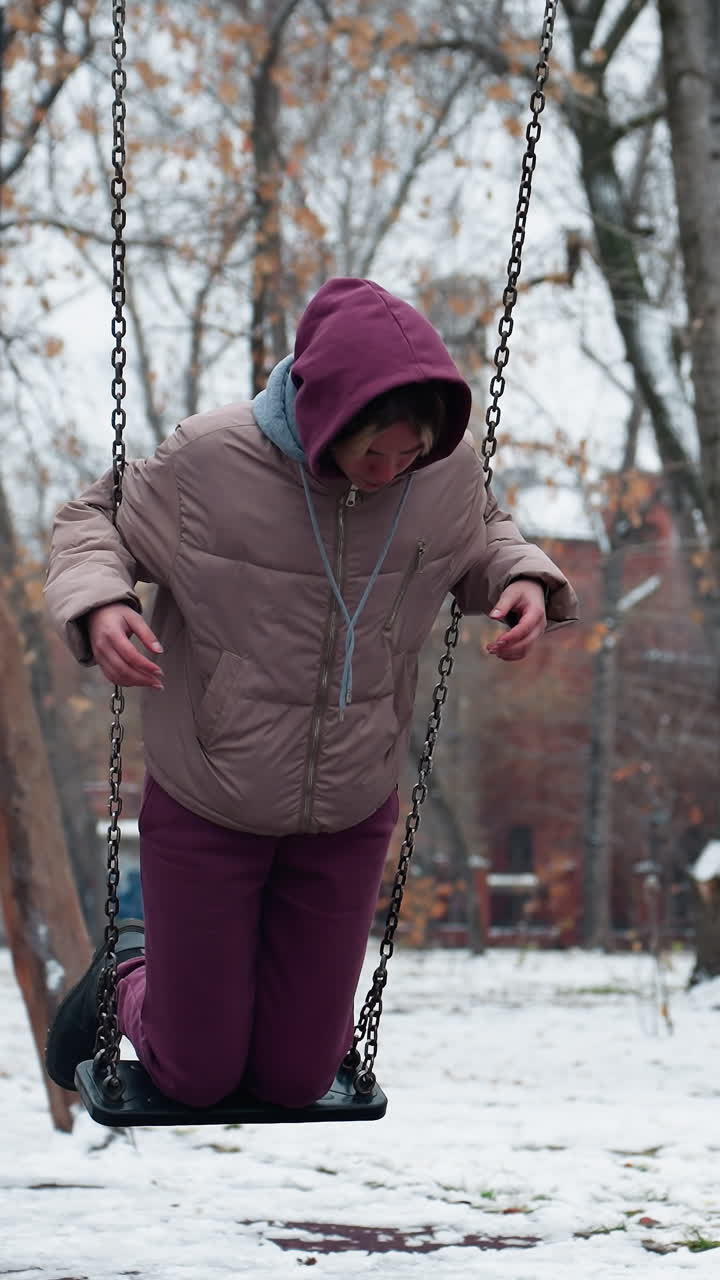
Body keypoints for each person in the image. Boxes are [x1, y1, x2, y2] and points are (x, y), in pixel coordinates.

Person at [44, 277, 578, 1109]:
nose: (394, 470)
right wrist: (103, 601)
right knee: (197, 1073)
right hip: (210, 797)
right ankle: (129, 975)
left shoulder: (440, 475)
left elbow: (486, 535)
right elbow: (93, 521)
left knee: (297, 1077)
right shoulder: (209, 460)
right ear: (324, 414)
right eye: (375, 453)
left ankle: (217, 1003)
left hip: (348, 807)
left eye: (413, 454)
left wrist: (523, 581)